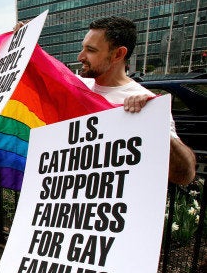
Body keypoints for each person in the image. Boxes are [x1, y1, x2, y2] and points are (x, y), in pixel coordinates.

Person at [59, 16, 195, 185]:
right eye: (83, 48)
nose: (80, 56)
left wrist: (153, 122)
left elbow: (184, 176)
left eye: (91, 50)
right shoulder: (77, 86)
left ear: (118, 54)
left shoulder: (145, 102)